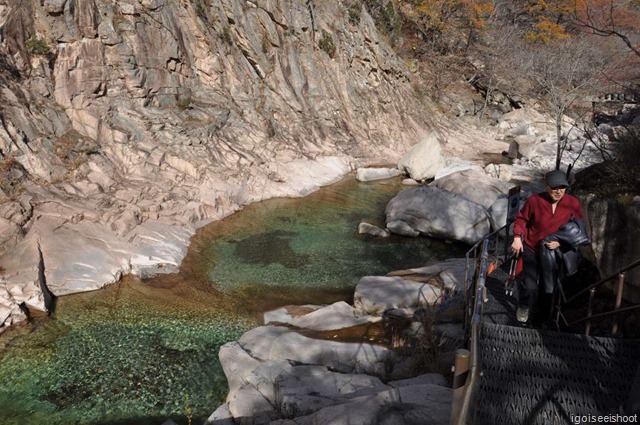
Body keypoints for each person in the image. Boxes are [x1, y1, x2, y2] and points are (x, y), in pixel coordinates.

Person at [510, 169, 584, 324]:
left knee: (548, 288)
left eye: (562, 187)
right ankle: (524, 305)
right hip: (531, 247)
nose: (558, 191)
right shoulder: (534, 201)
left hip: (553, 252)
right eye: (555, 187)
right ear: (546, 185)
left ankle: (540, 320)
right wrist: (517, 237)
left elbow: (577, 228)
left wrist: (561, 242)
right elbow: (521, 219)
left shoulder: (572, 203)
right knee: (529, 285)